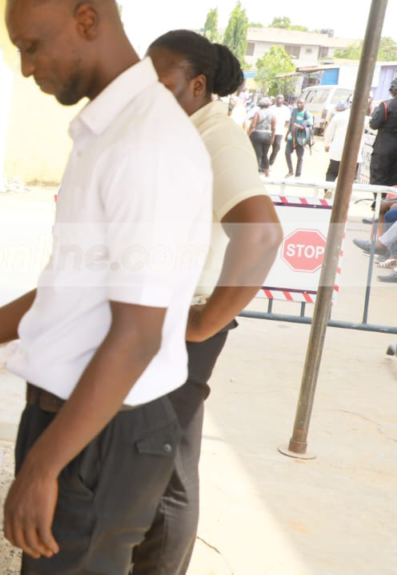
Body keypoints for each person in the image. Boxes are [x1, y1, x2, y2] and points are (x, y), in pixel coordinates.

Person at [0, 0, 212, 573]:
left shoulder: (146, 145)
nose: (25, 68)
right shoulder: (108, 132)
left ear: (86, 20)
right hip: (75, 423)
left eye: (31, 46)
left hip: (102, 434)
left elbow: (137, 336)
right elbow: (71, 290)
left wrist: (44, 467)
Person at [137, 31, 283, 574]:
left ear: (198, 85)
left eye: (162, 86)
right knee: (153, 458)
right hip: (160, 319)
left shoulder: (216, 138)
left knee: (168, 471)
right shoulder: (181, 132)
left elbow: (261, 235)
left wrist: (204, 323)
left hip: (185, 325)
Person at [324, 100, 366, 183]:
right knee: (350, 178)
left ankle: (328, 188)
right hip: (354, 152)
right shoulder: (363, 118)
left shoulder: (339, 116)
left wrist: (327, 144)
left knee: (332, 173)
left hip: (338, 150)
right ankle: (346, 192)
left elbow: (329, 133)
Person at [369, 79, 397, 187]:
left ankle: (381, 198)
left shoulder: (386, 105)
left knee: (378, 179)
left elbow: (374, 125)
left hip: (383, 148)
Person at [284, 99, 314, 177]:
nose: (299, 104)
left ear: (305, 104)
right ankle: (290, 171)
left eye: (301, 103)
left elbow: (310, 124)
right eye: (298, 103)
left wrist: (300, 125)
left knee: (300, 157)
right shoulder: (293, 111)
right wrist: (287, 134)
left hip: (301, 138)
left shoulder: (307, 113)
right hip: (291, 137)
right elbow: (291, 124)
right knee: (287, 153)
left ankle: (298, 174)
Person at [248, 97, 275, 176]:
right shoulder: (272, 114)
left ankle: (255, 172)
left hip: (257, 134)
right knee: (265, 154)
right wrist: (272, 138)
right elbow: (274, 128)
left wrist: (248, 134)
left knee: (258, 154)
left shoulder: (257, 113)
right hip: (268, 135)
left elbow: (253, 126)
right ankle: (267, 173)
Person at [268, 94, 290, 169]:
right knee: (266, 147)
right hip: (269, 131)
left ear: (283, 100)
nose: (279, 100)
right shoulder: (271, 108)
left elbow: (287, 121)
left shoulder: (286, 109)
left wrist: (283, 127)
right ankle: (262, 163)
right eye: (278, 98)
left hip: (279, 132)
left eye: (281, 98)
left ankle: (270, 163)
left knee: (276, 147)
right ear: (275, 99)